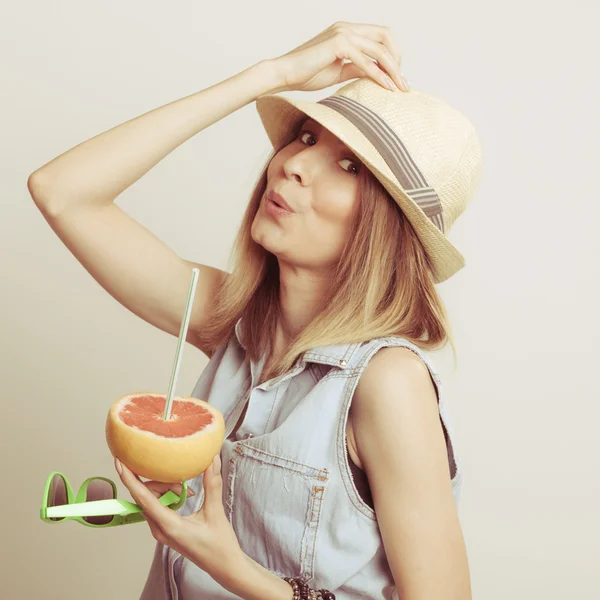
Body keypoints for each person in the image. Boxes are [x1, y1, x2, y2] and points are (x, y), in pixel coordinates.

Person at [28, 21, 482, 600]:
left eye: (351, 167)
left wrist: (233, 568)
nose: (294, 163)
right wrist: (272, 74)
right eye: (309, 138)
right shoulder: (233, 320)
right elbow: (61, 190)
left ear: (386, 229)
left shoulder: (386, 383)